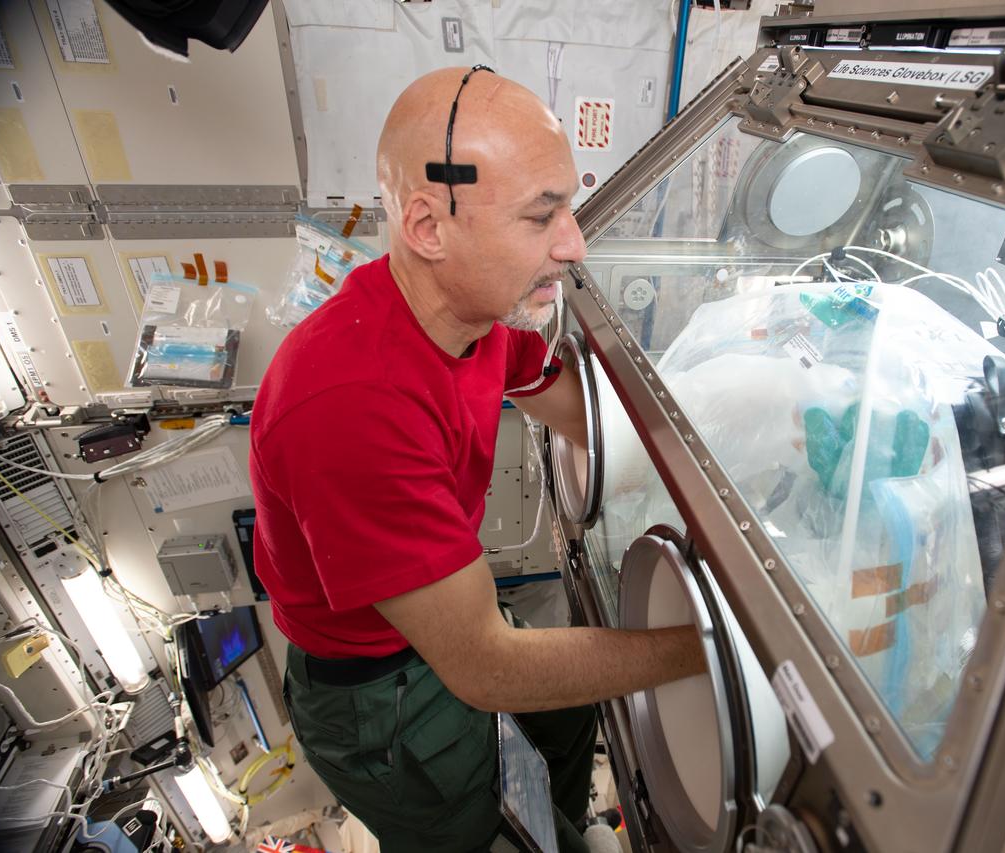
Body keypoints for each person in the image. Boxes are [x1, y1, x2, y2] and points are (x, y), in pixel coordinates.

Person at [249, 66, 706, 852]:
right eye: (541, 215)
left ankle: (561, 828)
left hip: (448, 630)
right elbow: (487, 668)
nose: (574, 241)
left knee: (564, 721)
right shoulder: (351, 407)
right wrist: (711, 647)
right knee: (468, 825)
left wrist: (733, 436)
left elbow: (586, 420)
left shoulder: (475, 312)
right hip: (378, 696)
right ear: (429, 227)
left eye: (569, 203)